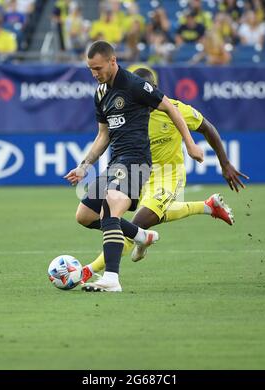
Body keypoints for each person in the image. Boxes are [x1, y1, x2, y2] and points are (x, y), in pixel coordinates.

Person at [80, 67, 249, 284]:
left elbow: (207, 127)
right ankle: (207, 206)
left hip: (167, 176)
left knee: (138, 223)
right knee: (110, 217)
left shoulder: (174, 109)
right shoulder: (125, 110)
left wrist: (224, 163)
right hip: (137, 171)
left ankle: (89, 271)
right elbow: (104, 135)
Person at [64, 41, 203, 292]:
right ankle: (141, 235)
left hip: (136, 160)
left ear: (112, 61)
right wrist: (85, 165)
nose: (94, 74)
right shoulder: (100, 94)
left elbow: (171, 107)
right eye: (90, 69)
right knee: (84, 215)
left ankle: (112, 279)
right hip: (116, 162)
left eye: (97, 68)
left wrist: (191, 145)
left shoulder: (135, 85)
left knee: (110, 208)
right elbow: (103, 135)